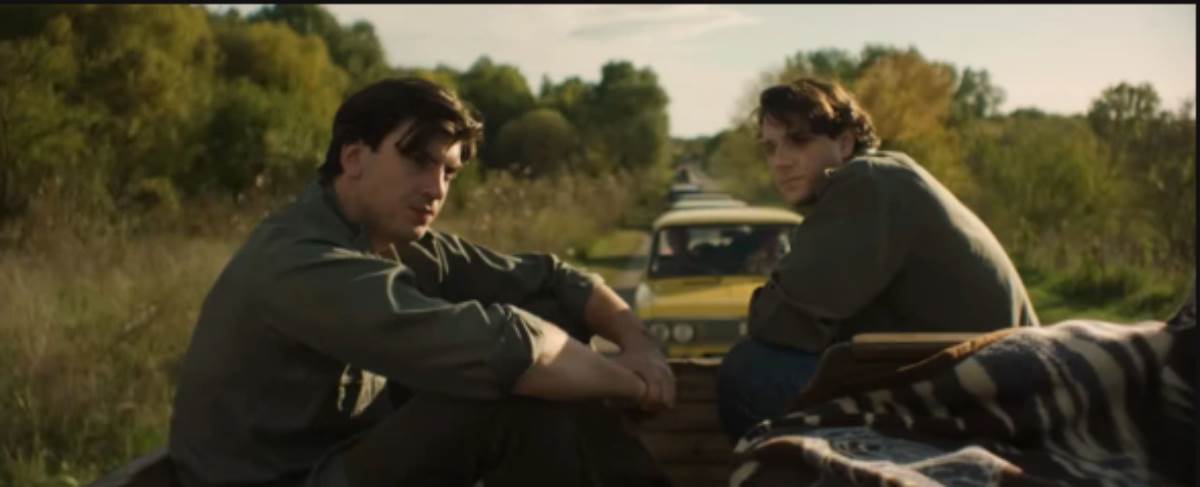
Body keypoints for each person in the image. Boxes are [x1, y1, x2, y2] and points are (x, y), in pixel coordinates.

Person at [168, 77, 675, 487]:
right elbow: (509, 348)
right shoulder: (299, 262)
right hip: (289, 478)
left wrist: (639, 346)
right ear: (353, 158)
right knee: (504, 400)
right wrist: (634, 384)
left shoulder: (390, 236)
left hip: (343, 458)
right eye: (418, 161)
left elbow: (554, 281)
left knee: (551, 322)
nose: (436, 189)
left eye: (449, 172)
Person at [716, 77, 1040, 441]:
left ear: (844, 142)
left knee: (751, 370)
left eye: (799, 141)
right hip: (987, 381)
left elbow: (781, 320)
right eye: (770, 148)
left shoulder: (866, 183)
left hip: (991, 397)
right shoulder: (882, 178)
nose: (780, 161)